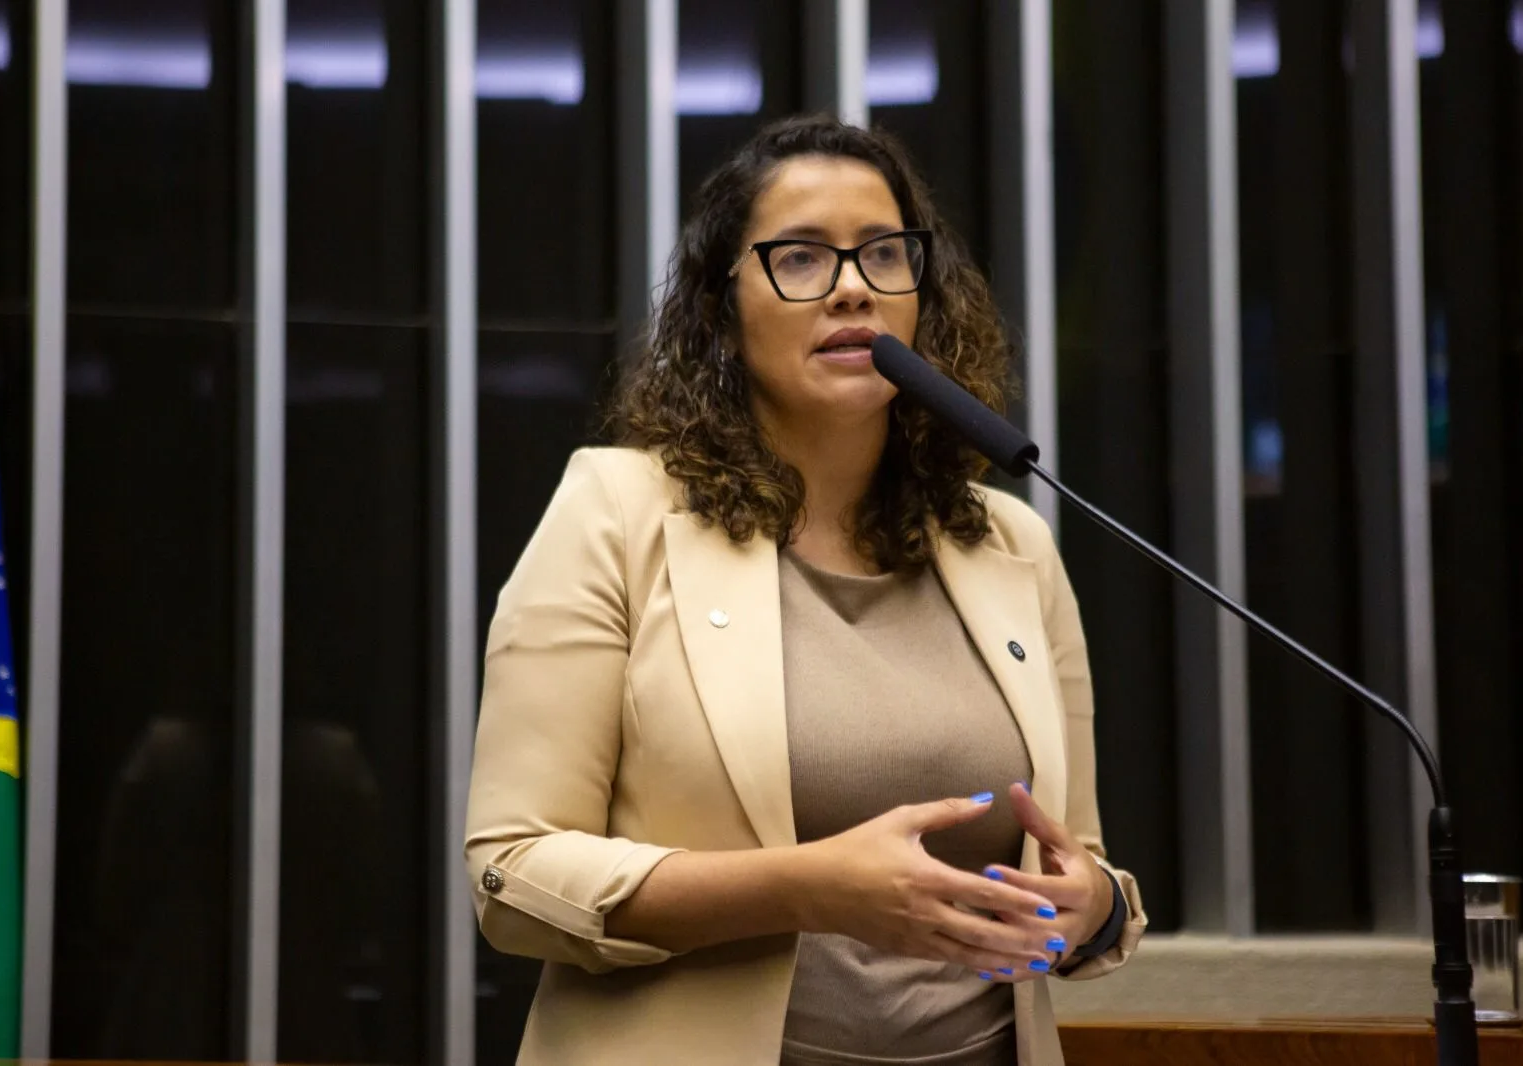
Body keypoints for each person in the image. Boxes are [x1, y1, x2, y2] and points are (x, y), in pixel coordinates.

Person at [464, 114, 1146, 1066]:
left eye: (884, 254)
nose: (853, 287)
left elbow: (1081, 858)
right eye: (801, 258)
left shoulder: (1011, 543)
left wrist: (1095, 907)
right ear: (722, 309)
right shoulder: (615, 510)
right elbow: (513, 872)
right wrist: (806, 888)